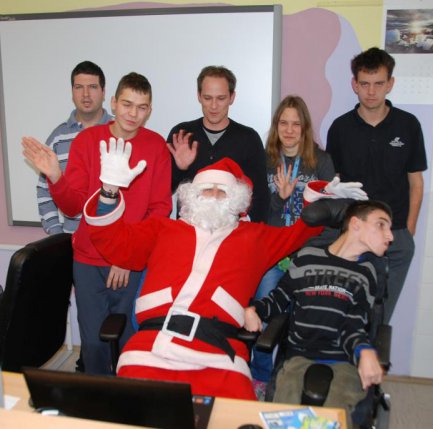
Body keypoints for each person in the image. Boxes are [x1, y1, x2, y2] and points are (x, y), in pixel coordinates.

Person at [80, 137, 367, 399]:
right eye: (207, 189)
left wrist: (320, 197)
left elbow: (301, 231)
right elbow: (112, 242)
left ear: (237, 201)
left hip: (220, 357)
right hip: (150, 349)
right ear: (192, 196)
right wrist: (109, 191)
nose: (215, 195)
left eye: (223, 191)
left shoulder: (255, 237)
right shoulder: (163, 229)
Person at [22, 72, 172, 375]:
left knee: (130, 340)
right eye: (127, 104)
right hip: (89, 259)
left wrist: (127, 256)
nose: (133, 114)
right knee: (93, 344)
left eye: (141, 107)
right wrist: (56, 177)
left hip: (132, 262)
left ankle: (129, 400)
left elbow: (160, 210)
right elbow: (73, 206)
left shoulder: (156, 146)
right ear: (113, 103)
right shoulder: (88, 141)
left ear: (150, 110)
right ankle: (96, 400)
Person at [244, 200, 394, 425]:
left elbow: (353, 324)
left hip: (342, 361)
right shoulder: (307, 257)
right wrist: (254, 309)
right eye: (381, 225)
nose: (390, 236)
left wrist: (364, 351)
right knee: (285, 416)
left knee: (332, 418)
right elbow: (279, 298)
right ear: (355, 224)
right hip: (298, 356)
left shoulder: (366, 273)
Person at [326, 47, 427, 322]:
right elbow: (333, 185)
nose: (371, 92)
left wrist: (408, 230)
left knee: (379, 321)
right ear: (354, 84)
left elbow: (416, 183)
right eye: (365, 84)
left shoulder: (408, 125)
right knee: (344, 316)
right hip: (353, 237)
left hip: (395, 237)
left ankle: (371, 353)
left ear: (390, 84)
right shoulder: (340, 128)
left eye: (379, 83)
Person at [250, 95, 337, 394]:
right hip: (274, 253)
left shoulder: (321, 162)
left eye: (295, 124)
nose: (289, 130)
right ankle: (260, 378)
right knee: (263, 315)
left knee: (302, 322)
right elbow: (260, 214)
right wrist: (280, 198)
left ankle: (291, 379)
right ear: (276, 126)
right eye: (283, 123)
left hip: (308, 253)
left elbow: (331, 214)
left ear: (305, 128)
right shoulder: (265, 160)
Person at [166, 65, 270, 222]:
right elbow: (163, 191)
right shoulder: (182, 134)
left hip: (233, 231)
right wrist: (180, 169)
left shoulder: (249, 139)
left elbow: (260, 197)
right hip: (188, 229)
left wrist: (248, 229)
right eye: (208, 98)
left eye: (221, 98)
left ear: (232, 97)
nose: (213, 106)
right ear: (199, 96)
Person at [37, 61, 113, 235]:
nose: (86, 94)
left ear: (103, 92)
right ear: (72, 92)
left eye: (92, 87)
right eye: (79, 87)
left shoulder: (120, 132)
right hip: (72, 241)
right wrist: (57, 236)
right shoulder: (57, 138)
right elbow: (44, 190)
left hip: (113, 239)